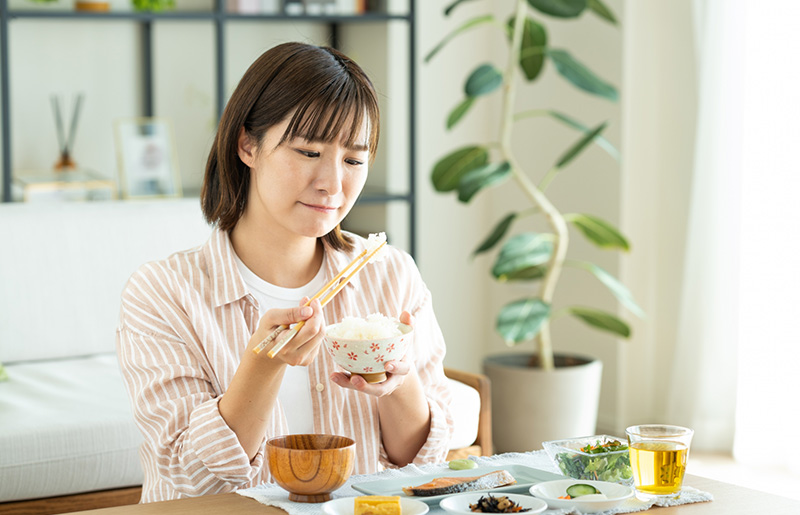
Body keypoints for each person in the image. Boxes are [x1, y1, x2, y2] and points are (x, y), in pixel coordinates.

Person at [116, 41, 454, 503]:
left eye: (354, 160)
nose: (333, 183)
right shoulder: (163, 293)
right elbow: (188, 485)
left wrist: (398, 379)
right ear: (248, 145)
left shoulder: (389, 275)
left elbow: (426, 466)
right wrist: (262, 365)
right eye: (309, 152)